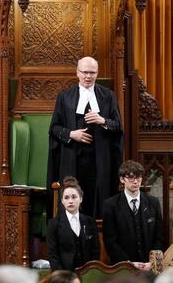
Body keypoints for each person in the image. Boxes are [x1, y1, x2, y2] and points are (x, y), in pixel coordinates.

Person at [47, 56, 123, 218]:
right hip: (72, 160)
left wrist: (102, 120)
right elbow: (54, 128)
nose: (88, 76)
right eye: (84, 72)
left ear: (97, 74)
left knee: (99, 203)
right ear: (77, 73)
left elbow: (118, 126)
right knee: (72, 198)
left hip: (99, 162)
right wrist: (71, 134)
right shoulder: (65, 97)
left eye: (92, 73)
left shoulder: (108, 96)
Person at [103, 160, 162, 267]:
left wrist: (153, 262)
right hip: (124, 267)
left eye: (139, 177)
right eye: (131, 178)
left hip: (150, 265)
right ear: (122, 179)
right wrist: (128, 263)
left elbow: (159, 236)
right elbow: (110, 241)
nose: (136, 181)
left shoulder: (153, 202)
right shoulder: (110, 205)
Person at [47, 177, 100, 271]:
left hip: (87, 274)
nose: (70, 201)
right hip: (64, 275)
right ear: (62, 201)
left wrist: (91, 272)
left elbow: (95, 251)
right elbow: (53, 255)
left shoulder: (90, 222)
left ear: (81, 199)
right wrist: (64, 277)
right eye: (66, 198)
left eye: (74, 197)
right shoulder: (54, 224)